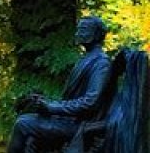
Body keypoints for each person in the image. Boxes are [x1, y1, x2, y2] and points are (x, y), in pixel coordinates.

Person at [9, 16, 113, 153]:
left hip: (80, 125)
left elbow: (90, 102)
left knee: (22, 124)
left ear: (96, 34)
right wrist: (46, 104)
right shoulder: (86, 59)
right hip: (69, 120)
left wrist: (52, 107)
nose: (78, 34)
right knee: (27, 123)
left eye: (83, 30)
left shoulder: (101, 63)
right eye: (78, 30)